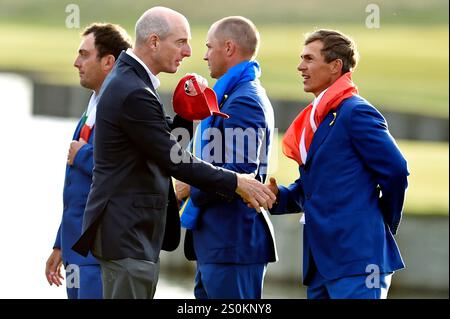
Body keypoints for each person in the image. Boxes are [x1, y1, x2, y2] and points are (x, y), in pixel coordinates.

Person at [71, 7, 276, 299]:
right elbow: (174, 159)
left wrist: (185, 113)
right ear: (154, 42)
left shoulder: (131, 81)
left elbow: (161, 143)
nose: (190, 52)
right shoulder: (133, 90)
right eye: (181, 42)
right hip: (128, 234)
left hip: (128, 234)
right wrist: (237, 182)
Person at [268, 29, 409, 299]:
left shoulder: (356, 112)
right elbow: (315, 188)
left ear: (335, 66)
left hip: (358, 262)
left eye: (309, 59)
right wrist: (279, 197)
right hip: (322, 265)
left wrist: (380, 225)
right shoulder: (321, 117)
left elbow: (396, 171)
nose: (300, 66)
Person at [174, 16, 277, 299]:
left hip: (233, 243)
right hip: (218, 244)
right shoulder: (232, 94)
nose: (204, 55)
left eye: (209, 47)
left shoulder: (243, 99)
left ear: (229, 48)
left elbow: (240, 171)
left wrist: (187, 186)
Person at [45, 23, 132, 299]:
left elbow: (124, 171)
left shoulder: (124, 106)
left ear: (108, 62)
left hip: (98, 253)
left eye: (84, 54)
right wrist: (61, 243)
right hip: (75, 249)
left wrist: (81, 155)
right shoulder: (94, 104)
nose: (76, 62)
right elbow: (78, 186)